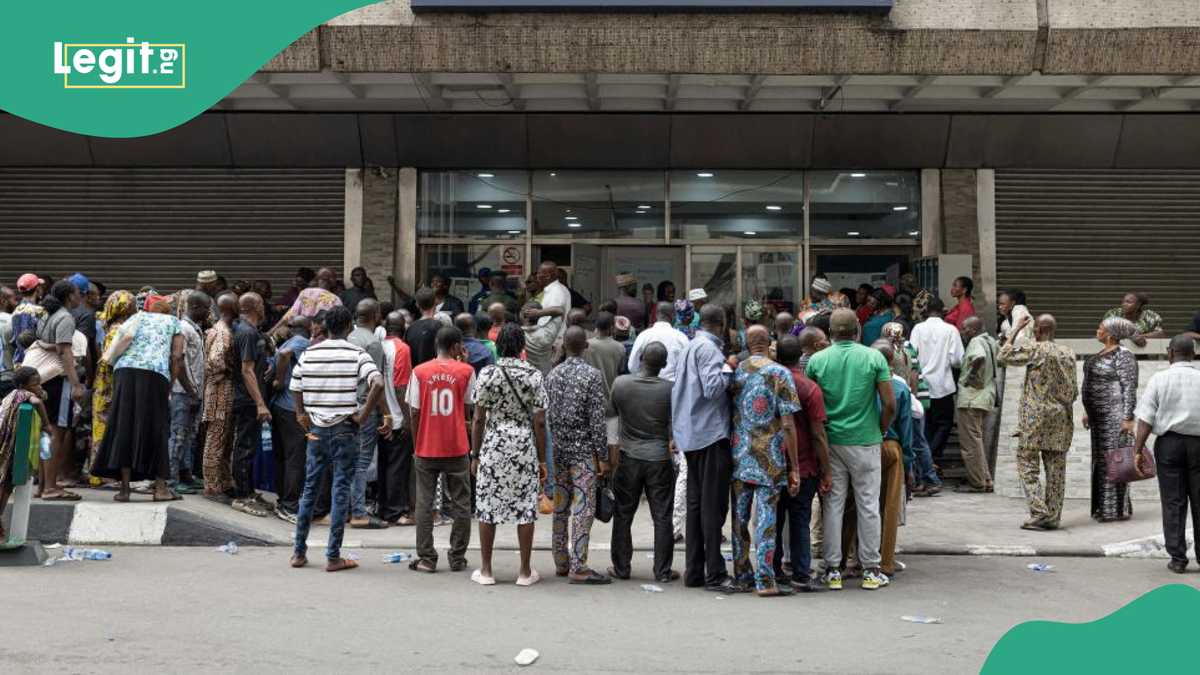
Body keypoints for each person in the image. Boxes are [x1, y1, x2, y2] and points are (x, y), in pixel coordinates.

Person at [288, 305, 386, 573]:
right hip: (345, 427)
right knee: (340, 488)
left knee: (310, 488)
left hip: (317, 430)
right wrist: (364, 415)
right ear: (349, 327)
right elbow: (377, 383)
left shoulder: (310, 353)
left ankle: (298, 552)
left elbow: (295, 385)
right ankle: (333, 556)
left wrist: (300, 413)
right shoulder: (357, 353)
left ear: (326, 327)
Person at [805, 309, 895, 591]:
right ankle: (871, 570)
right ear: (857, 329)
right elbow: (890, 404)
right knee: (868, 505)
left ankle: (832, 570)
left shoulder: (817, 360)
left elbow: (811, 405)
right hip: (866, 441)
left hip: (831, 443)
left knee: (833, 505)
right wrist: (880, 429)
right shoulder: (873, 357)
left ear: (830, 332)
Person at [469, 323, 547, 586]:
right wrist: (542, 458)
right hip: (524, 444)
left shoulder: (488, 374)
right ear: (522, 346)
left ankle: (487, 570)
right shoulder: (534, 375)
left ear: (499, 345)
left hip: (493, 444)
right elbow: (539, 421)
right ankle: (524, 572)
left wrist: (475, 454)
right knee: (525, 507)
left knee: (487, 507)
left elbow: (478, 418)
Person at [729, 325, 801, 597]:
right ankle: (766, 580)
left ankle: (742, 574)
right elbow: (788, 423)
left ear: (747, 344)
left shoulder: (736, 371)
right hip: (770, 457)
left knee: (739, 518)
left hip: (739, 454)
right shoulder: (779, 373)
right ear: (769, 342)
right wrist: (794, 466)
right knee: (766, 519)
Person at [672, 304, 739, 593]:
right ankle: (715, 572)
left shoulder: (689, 346)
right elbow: (713, 388)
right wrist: (731, 366)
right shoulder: (710, 350)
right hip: (710, 434)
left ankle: (695, 570)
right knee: (712, 507)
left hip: (691, 434)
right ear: (722, 324)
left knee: (697, 505)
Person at [91, 297, 184, 502]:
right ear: (168, 311)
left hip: (124, 372)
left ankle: (125, 490)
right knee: (158, 427)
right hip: (154, 374)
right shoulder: (173, 322)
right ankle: (160, 489)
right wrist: (170, 382)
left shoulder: (137, 317)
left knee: (124, 425)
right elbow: (177, 357)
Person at [405, 326, 476, 573]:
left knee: (424, 503)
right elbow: (468, 409)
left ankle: (426, 558)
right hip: (456, 446)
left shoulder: (420, 371)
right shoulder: (467, 371)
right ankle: (457, 557)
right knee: (462, 504)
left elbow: (414, 411)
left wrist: (417, 443)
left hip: (426, 446)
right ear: (457, 347)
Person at [998, 314, 1078, 531]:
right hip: (1060, 417)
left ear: (1037, 331)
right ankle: (1053, 516)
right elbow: (1073, 391)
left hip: (1034, 418)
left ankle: (1039, 511)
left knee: (1027, 463)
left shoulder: (1034, 349)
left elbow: (1002, 356)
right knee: (1056, 469)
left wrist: (1015, 331)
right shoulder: (1068, 353)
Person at [544, 326, 610, 584]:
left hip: (559, 451)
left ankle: (560, 561)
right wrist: (602, 456)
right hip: (582, 453)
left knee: (561, 507)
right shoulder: (592, 376)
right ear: (585, 346)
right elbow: (597, 420)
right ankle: (578, 564)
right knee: (583, 508)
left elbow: (547, 417)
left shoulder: (552, 375)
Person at [607, 342, 678, 583]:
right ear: (664, 365)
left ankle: (621, 567)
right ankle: (662, 571)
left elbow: (612, 415)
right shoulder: (670, 389)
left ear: (640, 360)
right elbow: (674, 424)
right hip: (659, 458)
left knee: (624, 513)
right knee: (662, 515)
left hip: (629, 456)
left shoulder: (621, 384)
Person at [1132, 335, 1200, 573]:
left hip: (1169, 446)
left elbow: (1146, 418)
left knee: (1173, 502)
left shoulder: (1160, 379)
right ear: (1193, 354)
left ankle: (1178, 559)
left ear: (1170, 353)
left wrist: (1138, 450)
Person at [772, 335, 830, 592]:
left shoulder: (767, 383)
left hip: (771, 463)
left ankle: (773, 570)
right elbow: (818, 433)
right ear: (801, 357)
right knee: (800, 519)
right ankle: (801, 573)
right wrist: (826, 469)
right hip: (804, 465)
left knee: (773, 520)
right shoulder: (809, 388)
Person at [25, 280, 85, 501]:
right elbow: (65, 352)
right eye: (78, 293)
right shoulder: (65, 318)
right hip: (59, 382)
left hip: (43, 381)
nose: (81, 296)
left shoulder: (47, 315)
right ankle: (51, 487)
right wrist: (76, 384)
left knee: (45, 432)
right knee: (56, 434)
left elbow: (46, 343)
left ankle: (43, 486)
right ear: (70, 296)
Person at [1082, 316, 1139, 522]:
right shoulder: (1101, 353)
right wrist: (1089, 411)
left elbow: (1129, 387)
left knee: (1114, 462)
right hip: (1098, 418)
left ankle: (1115, 510)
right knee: (1100, 462)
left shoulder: (1124, 356)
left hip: (1114, 416)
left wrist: (1127, 418)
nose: (1097, 330)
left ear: (1111, 333)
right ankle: (1102, 507)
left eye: (1101, 328)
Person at [867, 340, 913, 579]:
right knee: (889, 505)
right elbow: (906, 429)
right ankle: (885, 561)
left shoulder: (861, 383)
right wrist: (910, 463)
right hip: (892, 447)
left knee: (862, 503)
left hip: (864, 443)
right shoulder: (899, 387)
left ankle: (857, 557)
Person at [228, 293, 273, 517]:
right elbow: (246, 370)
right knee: (244, 446)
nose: (264, 307)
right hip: (247, 400)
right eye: (262, 304)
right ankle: (242, 495)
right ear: (255, 307)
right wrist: (260, 404)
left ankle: (249, 491)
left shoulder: (251, 331)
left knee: (250, 446)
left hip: (251, 398)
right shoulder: (246, 332)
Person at [346, 298, 390, 529]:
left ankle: (347, 508)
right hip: (364, 408)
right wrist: (387, 414)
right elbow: (376, 384)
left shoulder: (347, 338)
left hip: (344, 407)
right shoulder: (373, 343)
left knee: (347, 460)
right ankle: (359, 512)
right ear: (376, 315)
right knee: (362, 460)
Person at [0, 367, 53, 539]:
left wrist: (39, 389)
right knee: (5, 485)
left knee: (7, 485)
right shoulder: (21, 394)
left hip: (7, 445)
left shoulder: (15, 393)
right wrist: (46, 424)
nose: (38, 387)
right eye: (34, 384)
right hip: (7, 447)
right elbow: (38, 402)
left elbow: (41, 395)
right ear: (23, 385)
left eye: (39, 383)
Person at [910, 297, 963, 461]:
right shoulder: (951, 330)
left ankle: (927, 459)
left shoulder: (918, 329)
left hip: (922, 385)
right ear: (943, 311)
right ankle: (934, 457)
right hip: (943, 385)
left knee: (926, 425)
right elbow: (957, 360)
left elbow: (912, 356)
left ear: (926, 311)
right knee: (944, 423)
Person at [91, 291, 137, 480]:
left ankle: (99, 474)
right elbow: (113, 360)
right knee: (106, 428)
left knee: (102, 427)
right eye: (133, 304)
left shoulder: (110, 326)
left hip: (104, 385)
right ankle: (103, 475)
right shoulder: (120, 329)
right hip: (110, 386)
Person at [270, 315, 311, 522]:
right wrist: (278, 379)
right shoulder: (302, 343)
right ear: (307, 327)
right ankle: (290, 505)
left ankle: (282, 500)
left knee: (283, 456)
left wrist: (278, 379)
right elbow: (285, 355)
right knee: (296, 458)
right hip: (292, 408)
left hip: (279, 406)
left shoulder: (287, 341)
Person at [168, 291, 208, 494]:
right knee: (178, 436)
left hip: (192, 392)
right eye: (206, 308)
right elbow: (179, 361)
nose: (209, 312)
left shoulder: (195, 328)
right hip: (182, 392)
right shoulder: (183, 328)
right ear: (195, 307)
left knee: (188, 437)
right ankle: (170, 482)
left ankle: (185, 476)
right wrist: (191, 390)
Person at [377, 311, 414, 526]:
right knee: (397, 467)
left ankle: (383, 508)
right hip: (397, 417)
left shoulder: (377, 345)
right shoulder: (402, 349)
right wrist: (409, 419)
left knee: (384, 464)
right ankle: (395, 512)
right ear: (404, 328)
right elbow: (401, 387)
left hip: (381, 416)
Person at [955, 316, 1000, 493]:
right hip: (985, 397)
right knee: (977, 441)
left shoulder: (975, 341)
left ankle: (977, 482)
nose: (962, 332)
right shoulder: (990, 340)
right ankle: (985, 479)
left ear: (973, 329)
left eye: (965, 328)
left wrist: (970, 376)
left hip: (971, 399)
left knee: (970, 444)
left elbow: (979, 357)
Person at [201, 292, 238, 502]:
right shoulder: (223, 333)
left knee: (222, 440)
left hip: (219, 391)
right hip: (220, 393)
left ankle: (222, 482)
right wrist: (231, 369)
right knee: (216, 439)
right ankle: (212, 486)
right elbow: (216, 360)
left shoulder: (220, 329)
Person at [583, 311, 627, 480]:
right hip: (612, 403)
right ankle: (611, 479)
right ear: (611, 327)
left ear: (595, 327)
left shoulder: (586, 346)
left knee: (593, 443)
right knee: (613, 442)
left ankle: (595, 477)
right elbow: (621, 373)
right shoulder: (619, 348)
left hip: (590, 404)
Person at [522, 261, 571, 375]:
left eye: (539, 273)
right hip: (546, 341)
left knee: (545, 375)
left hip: (552, 342)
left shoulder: (556, 291)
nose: (537, 275)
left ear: (548, 276)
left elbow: (558, 311)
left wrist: (537, 313)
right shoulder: (551, 290)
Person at [627, 302, 690, 382]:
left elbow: (632, 366)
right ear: (673, 315)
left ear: (656, 315)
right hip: (672, 388)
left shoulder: (643, 335)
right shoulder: (681, 337)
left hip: (646, 385)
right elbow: (688, 368)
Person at [270, 267, 343, 337]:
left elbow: (289, 315)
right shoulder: (336, 299)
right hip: (321, 337)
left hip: (301, 333)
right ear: (332, 280)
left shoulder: (305, 292)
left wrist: (271, 331)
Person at [9, 274, 46, 365]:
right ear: (37, 289)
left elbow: (14, 340)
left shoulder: (15, 312)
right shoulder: (41, 311)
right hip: (37, 361)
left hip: (19, 363)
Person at [405, 288, 443, 368]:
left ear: (417, 305)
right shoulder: (439, 327)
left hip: (415, 376)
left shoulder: (410, 328)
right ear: (435, 302)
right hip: (435, 376)